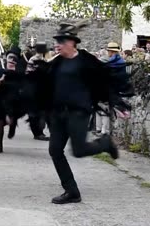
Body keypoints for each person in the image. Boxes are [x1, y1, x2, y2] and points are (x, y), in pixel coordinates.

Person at [45, 23, 126, 204]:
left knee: (79, 150)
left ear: (72, 42)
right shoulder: (56, 63)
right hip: (59, 114)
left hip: (78, 112)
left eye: (61, 41)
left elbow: (106, 81)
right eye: (56, 41)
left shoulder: (86, 61)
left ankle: (104, 143)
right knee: (55, 150)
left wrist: (117, 102)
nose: (57, 45)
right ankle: (72, 191)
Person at [0, 46, 27, 154]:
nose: (11, 61)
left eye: (14, 59)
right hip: (1, 101)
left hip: (15, 103)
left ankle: (13, 123)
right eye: (10, 58)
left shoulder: (20, 74)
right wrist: (2, 79)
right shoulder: (1, 71)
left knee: (11, 119)